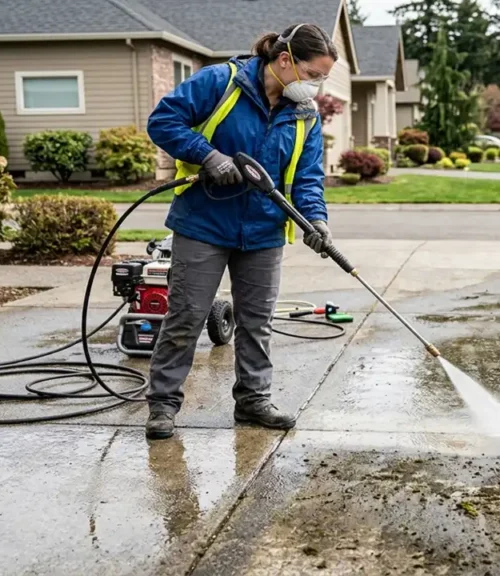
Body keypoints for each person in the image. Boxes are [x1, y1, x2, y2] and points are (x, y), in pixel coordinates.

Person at [143, 24, 338, 440]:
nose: (316, 85)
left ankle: (253, 400)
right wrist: (208, 156)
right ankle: (163, 405)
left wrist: (316, 220)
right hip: (204, 222)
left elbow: (307, 177)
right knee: (186, 316)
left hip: (264, 230)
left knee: (257, 321)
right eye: (313, 74)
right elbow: (163, 121)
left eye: (323, 78)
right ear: (284, 60)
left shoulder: (304, 114)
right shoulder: (221, 82)